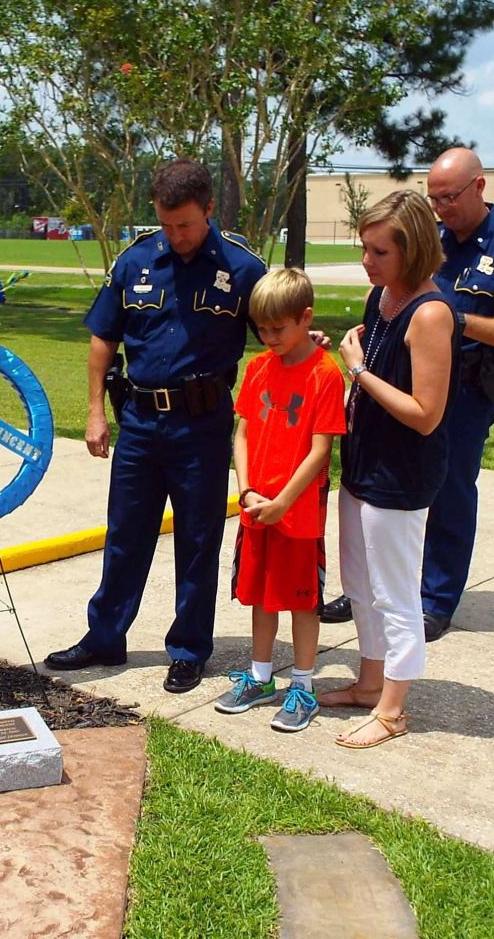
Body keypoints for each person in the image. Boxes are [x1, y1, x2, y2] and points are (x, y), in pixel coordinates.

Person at [43, 159, 267, 693]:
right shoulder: (136, 260)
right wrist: (96, 413)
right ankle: (105, 637)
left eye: (185, 224)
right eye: (166, 224)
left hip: (203, 427)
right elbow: (104, 338)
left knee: (197, 540)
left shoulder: (241, 268)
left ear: (209, 210)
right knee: (125, 535)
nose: (175, 235)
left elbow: (277, 333)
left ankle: (189, 649)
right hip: (140, 423)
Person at [319, 148, 494, 641]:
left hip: (465, 388)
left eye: (450, 197)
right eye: (435, 197)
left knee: (450, 491)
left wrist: (454, 322)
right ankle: (372, 589)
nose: (441, 207)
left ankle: (436, 599)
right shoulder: (426, 240)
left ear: (480, 187)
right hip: (401, 379)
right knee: (378, 488)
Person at [318, 191, 459, 748]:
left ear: (413, 250)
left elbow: (426, 415)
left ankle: (394, 710)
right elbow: (369, 362)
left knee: (396, 593)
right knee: (358, 584)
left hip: (401, 474)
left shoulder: (430, 314)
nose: (367, 262)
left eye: (379, 251)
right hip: (363, 461)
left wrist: (358, 373)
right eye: (364, 248)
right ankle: (369, 682)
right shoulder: (382, 297)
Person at [214, 268, 345, 732]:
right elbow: (243, 431)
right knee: (261, 596)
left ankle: (303, 686)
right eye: (261, 328)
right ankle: (260, 675)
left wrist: (284, 502)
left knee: (302, 601)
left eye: (279, 328)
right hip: (257, 507)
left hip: (297, 514)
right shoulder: (258, 368)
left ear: (304, 317)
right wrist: (246, 488)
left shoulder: (326, 374)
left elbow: (320, 450)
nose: (269, 338)